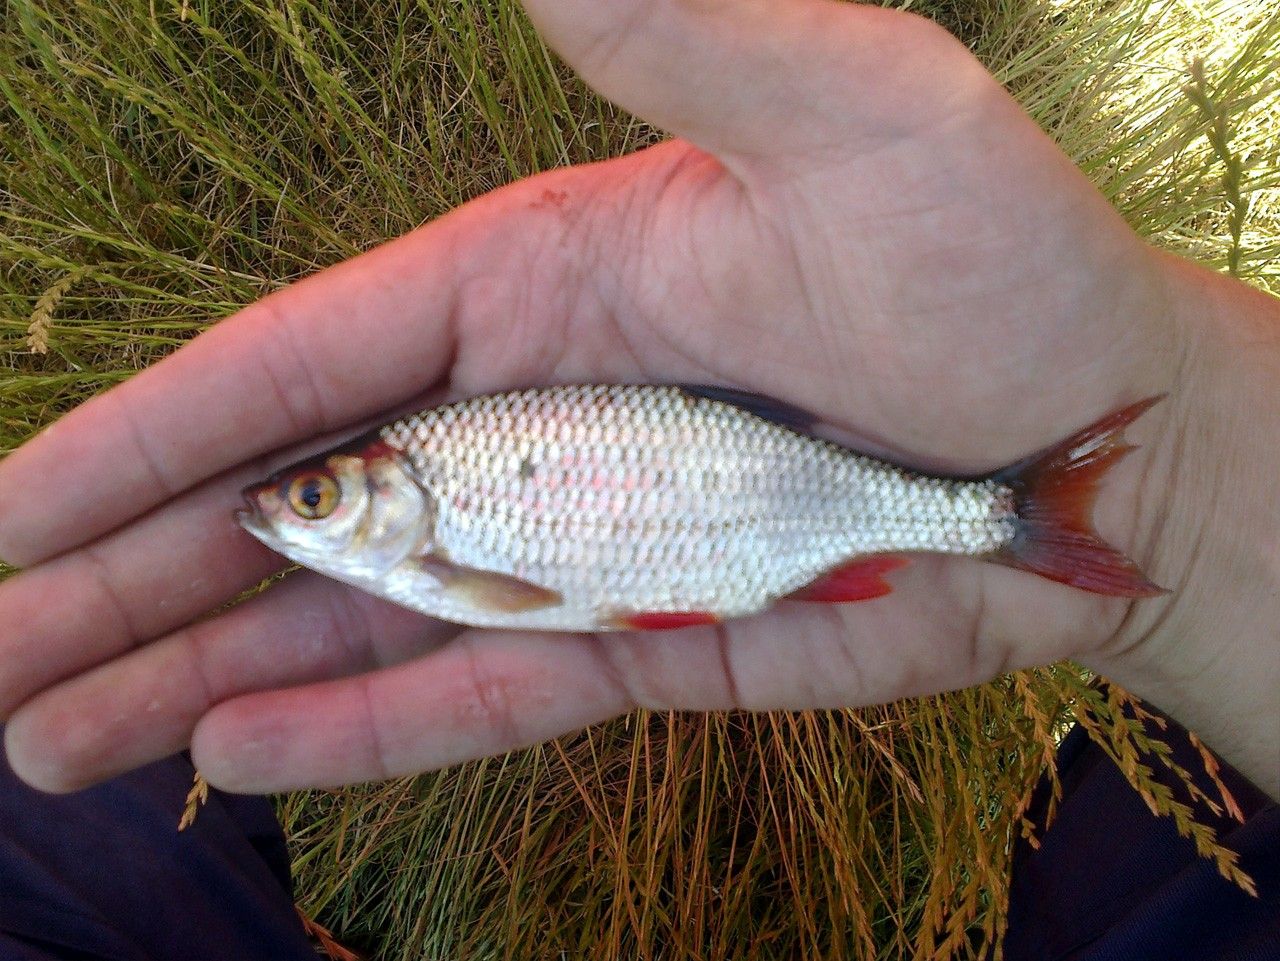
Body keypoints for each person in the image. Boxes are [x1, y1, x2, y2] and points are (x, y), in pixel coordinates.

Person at [0, 0, 1275, 957]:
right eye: (309, 504)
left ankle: (1010, 514)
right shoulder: (445, 500)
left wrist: (1188, 473)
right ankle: (1029, 514)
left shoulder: (448, 515)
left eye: (317, 499)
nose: (294, 517)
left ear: (385, 488)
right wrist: (1196, 472)